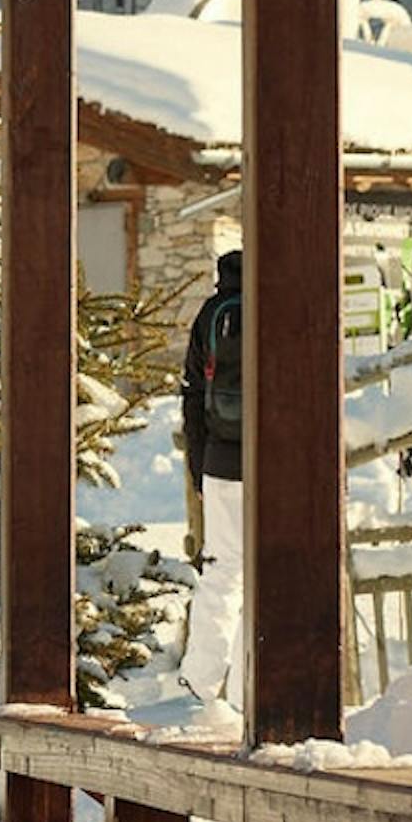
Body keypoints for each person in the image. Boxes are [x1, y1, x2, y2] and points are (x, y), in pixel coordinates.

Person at [176, 248, 245, 711]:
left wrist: (200, 468)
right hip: (273, 464)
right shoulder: (276, 305)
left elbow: (192, 396)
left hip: (221, 463)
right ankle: (245, 690)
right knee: (269, 576)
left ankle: (201, 685)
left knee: (222, 572)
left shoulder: (210, 314)